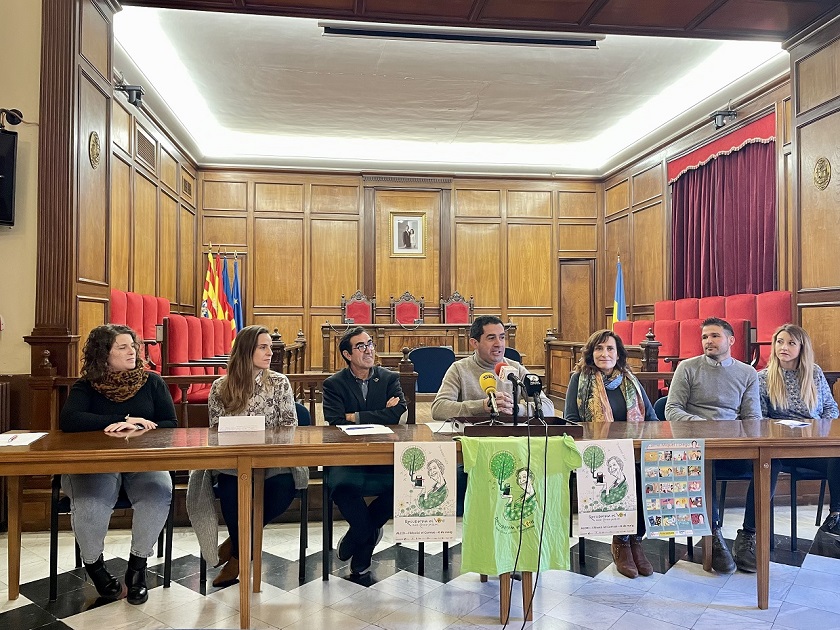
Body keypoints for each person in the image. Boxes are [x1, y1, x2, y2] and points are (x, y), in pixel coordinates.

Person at [60, 324, 177, 605]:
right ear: (104, 355)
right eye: (122, 347)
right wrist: (119, 421)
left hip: (143, 461)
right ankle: (95, 567)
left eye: (133, 346)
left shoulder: (152, 382)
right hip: (96, 463)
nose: (132, 352)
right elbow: (70, 420)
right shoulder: (86, 385)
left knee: (158, 493)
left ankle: (137, 568)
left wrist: (140, 427)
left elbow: (171, 424)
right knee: (90, 504)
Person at [193, 325, 308, 587]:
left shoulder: (279, 383)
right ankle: (241, 551)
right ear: (246, 351)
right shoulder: (220, 387)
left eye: (270, 347)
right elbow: (215, 430)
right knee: (231, 493)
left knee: (283, 489)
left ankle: (236, 551)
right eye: (263, 347)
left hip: (274, 460)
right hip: (234, 461)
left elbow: (289, 426)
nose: (270, 353)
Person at [665, 317, 767, 574]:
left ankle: (748, 535)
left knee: (769, 464)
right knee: (702, 463)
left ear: (731, 340)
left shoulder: (747, 373)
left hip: (733, 445)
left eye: (714, 336)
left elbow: (752, 417)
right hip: (697, 445)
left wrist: (735, 436)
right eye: (704, 337)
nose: (708, 341)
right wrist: (702, 425)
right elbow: (672, 409)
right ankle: (713, 535)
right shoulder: (687, 368)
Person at [563, 329, 657, 578]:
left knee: (641, 472)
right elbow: (571, 420)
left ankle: (636, 540)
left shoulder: (630, 380)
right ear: (591, 353)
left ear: (619, 354)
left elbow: (650, 417)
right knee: (625, 475)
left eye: (610, 348)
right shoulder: (579, 380)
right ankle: (622, 542)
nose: (604, 353)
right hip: (597, 453)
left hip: (632, 451)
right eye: (599, 348)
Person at [322, 326, 407, 576]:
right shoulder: (334, 384)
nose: (369, 350)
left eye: (370, 344)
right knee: (341, 487)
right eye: (361, 346)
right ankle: (367, 535)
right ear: (347, 355)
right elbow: (335, 419)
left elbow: (397, 412)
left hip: (384, 456)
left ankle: (358, 539)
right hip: (347, 456)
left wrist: (355, 416)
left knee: (403, 486)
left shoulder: (389, 378)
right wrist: (380, 413)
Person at [758, 324, 840, 536]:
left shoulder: (814, 373)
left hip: (815, 444)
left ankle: (835, 516)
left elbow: (831, 408)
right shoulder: (763, 377)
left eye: (791, 343)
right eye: (779, 342)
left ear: (802, 348)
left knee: (838, 456)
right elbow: (759, 418)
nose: (783, 347)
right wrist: (783, 429)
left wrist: (819, 427)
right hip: (783, 448)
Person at [432, 315, 554, 422]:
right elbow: (439, 408)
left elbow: (548, 407)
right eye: (491, 338)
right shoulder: (459, 369)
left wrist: (516, 409)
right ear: (474, 343)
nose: (498, 344)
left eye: (502, 337)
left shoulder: (516, 368)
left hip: (510, 436)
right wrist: (482, 406)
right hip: (471, 435)